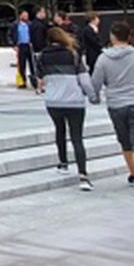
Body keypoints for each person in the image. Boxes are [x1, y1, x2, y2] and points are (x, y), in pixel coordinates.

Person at [89, 20, 134, 198]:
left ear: (112, 37)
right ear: (129, 36)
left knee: (126, 140)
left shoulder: (103, 58)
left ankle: (133, 174)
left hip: (116, 104)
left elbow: (95, 82)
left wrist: (95, 98)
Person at [40, 26, 96, 191]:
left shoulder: (42, 56)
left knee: (60, 130)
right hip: (73, 100)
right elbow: (84, 79)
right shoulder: (73, 55)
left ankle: (63, 162)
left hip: (53, 100)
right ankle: (83, 174)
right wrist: (92, 96)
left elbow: (40, 78)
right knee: (77, 136)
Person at [14, 10, 37, 90]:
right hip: (21, 45)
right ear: (20, 16)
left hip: (29, 45)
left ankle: (34, 81)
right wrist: (14, 44)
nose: (26, 17)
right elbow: (10, 35)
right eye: (24, 15)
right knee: (21, 64)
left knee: (32, 64)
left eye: (27, 15)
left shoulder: (30, 25)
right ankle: (22, 82)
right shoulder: (16, 25)